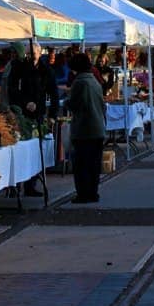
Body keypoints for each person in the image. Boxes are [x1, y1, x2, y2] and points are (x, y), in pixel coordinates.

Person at [6, 41, 56, 196]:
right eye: (27, 54)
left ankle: (31, 184)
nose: (29, 57)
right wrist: (25, 103)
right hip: (21, 113)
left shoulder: (45, 70)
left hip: (38, 114)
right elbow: (12, 90)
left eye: (32, 54)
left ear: (39, 53)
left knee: (35, 149)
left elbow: (53, 92)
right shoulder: (19, 67)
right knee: (19, 147)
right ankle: (15, 185)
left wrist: (52, 115)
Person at [67, 52, 106, 203]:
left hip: (84, 129)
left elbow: (76, 104)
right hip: (98, 128)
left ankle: (83, 194)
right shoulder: (95, 81)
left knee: (81, 164)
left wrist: (67, 103)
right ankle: (93, 192)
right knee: (94, 164)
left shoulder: (79, 82)